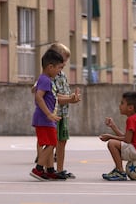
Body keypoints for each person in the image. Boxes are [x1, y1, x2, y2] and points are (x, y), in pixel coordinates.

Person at [33, 43, 81, 179]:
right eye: (62, 60)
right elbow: (52, 96)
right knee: (50, 142)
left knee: (60, 141)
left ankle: (56, 170)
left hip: (62, 114)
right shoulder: (48, 77)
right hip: (53, 114)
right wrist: (69, 99)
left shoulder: (60, 74)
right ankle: (43, 168)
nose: (64, 64)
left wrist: (72, 97)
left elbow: (60, 93)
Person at [99, 91, 136, 181]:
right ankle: (118, 170)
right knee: (115, 143)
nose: (119, 105)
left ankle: (120, 172)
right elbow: (126, 138)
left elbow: (126, 140)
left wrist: (110, 136)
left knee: (112, 143)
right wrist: (113, 127)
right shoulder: (135, 118)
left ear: (130, 108)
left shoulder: (131, 119)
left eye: (122, 103)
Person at [30, 49, 66, 181]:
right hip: (44, 119)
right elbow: (38, 98)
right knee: (51, 143)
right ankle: (38, 169)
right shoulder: (45, 80)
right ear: (50, 67)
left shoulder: (44, 79)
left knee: (51, 143)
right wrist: (49, 114)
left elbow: (52, 97)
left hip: (45, 119)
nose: (59, 71)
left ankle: (50, 170)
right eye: (59, 68)